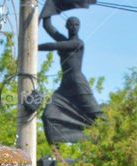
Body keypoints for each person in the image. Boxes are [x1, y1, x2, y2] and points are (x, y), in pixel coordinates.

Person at [38, 14, 102, 143]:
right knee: (48, 115)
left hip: (78, 82)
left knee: (95, 114)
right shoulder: (64, 40)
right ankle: (57, 152)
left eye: (77, 24)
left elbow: (54, 46)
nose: (74, 27)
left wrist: (33, 47)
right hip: (65, 83)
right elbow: (48, 26)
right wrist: (48, 10)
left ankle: (109, 135)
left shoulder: (77, 43)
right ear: (66, 26)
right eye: (71, 24)